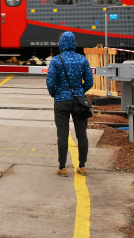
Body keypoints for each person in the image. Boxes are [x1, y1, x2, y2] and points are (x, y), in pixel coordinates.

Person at [46, 31, 94, 176]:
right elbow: (90, 81)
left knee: (62, 134)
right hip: (79, 101)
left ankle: (62, 167)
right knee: (82, 134)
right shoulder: (82, 59)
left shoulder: (56, 60)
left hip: (61, 101)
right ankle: (82, 165)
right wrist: (80, 91)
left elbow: (50, 82)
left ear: (61, 43)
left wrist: (55, 94)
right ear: (74, 43)